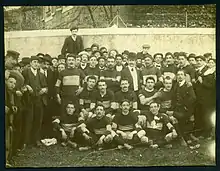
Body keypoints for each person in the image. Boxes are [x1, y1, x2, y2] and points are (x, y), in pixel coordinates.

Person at [22, 56, 48, 147]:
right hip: (29, 100)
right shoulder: (26, 72)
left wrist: (44, 90)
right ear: (30, 63)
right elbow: (22, 84)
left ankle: (36, 139)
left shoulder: (41, 75)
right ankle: (26, 140)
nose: (36, 64)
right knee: (29, 119)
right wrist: (27, 86)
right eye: (34, 62)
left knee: (38, 120)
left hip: (39, 100)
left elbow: (46, 86)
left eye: (37, 62)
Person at [170, 70, 197, 147]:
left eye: (181, 74)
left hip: (186, 108)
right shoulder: (176, 85)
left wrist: (185, 105)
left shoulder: (188, 85)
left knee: (184, 119)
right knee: (176, 119)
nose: (180, 76)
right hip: (177, 108)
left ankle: (187, 136)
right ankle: (182, 137)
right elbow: (174, 97)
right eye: (178, 75)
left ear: (185, 76)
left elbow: (193, 97)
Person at [194, 56, 215, 139]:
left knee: (207, 115)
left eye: (212, 63)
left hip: (209, 97)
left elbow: (212, 86)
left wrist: (202, 82)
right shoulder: (206, 71)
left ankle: (208, 133)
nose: (210, 64)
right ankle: (202, 132)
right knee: (201, 114)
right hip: (201, 96)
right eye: (209, 62)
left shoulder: (213, 72)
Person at [5, 74, 18, 166]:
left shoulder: (13, 93)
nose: (12, 85)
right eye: (10, 82)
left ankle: (7, 159)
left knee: (8, 140)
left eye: (14, 83)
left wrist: (14, 107)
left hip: (9, 120)